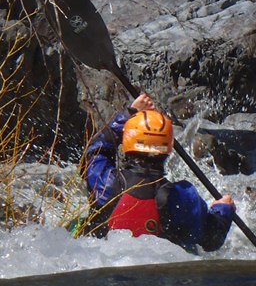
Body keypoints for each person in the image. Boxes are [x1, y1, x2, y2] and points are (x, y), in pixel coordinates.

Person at [84, 92, 235, 252]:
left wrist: (128, 115)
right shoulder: (182, 196)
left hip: (104, 260)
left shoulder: (105, 182)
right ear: (168, 149)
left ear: (127, 141)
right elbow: (211, 240)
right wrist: (223, 210)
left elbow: (96, 151)